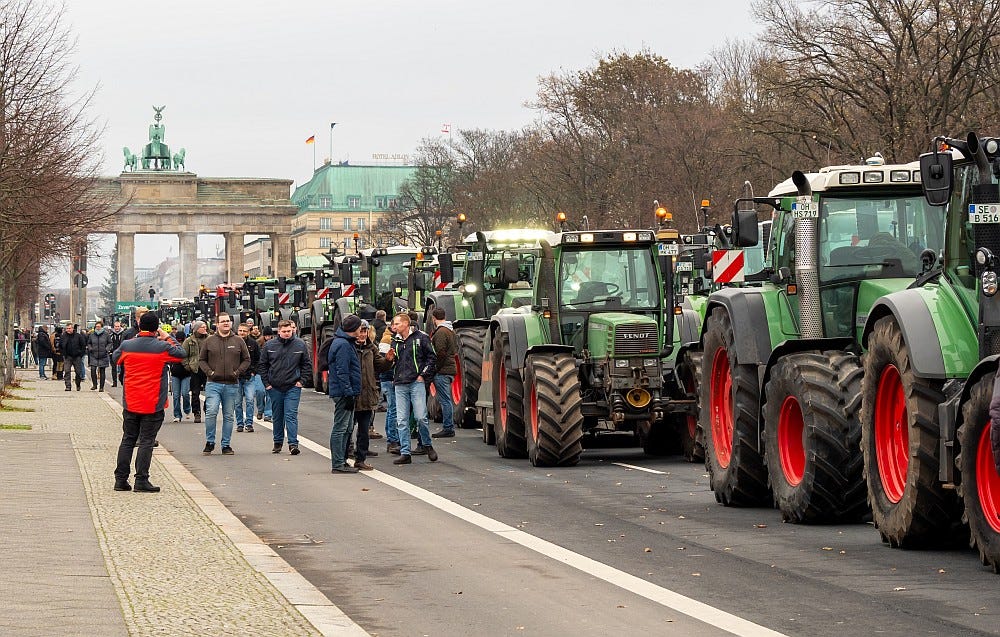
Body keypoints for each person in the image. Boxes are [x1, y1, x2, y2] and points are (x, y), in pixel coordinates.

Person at [112, 311, 186, 493]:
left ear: (139, 326)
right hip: (152, 403)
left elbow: (115, 359)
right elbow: (181, 354)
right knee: (146, 441)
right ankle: (141, 480)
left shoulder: (127, 345)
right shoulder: (161, 347)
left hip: (131, 400)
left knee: (128, 439)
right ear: (156, 328)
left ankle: (120, 480)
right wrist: (167, 336)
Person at [387, 312, 438, 464]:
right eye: (393, 324)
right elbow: (394, 361)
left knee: (420, 416)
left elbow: (432, 357)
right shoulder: (394, 341)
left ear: (405, 324)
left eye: (396, 324)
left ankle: (427, 445)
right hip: (400, 383)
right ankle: (405, 452)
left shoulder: (421, 338)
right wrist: (390, 360)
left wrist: (423, 375)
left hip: (416, 382)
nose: (393, 327)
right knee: (401, 419)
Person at [198, 313, 249, 455]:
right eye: (223, 321)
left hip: (232, 384)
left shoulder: (238, 341)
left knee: (228, 415)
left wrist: (237, 372)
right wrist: (210, 372)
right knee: (211, 411)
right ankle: (210, 442)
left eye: (228, 321)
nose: (226, 323)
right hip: (213, 383)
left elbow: (246, 359)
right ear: (217, 324)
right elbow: (202, 360)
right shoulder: (209, 341)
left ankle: (226, 445)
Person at [259, 319, 311, 455]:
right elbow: (263, 365)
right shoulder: (270, 345)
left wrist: (302, 381)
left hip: (293, 386)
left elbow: (306, 364)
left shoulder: (300, 345)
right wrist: (267, 384)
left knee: (291, 415)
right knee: (277, 416)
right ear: (279, 331)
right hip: (275, 387)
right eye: (284, 331)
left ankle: (293, 444)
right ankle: (277, 442)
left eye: (289, 331)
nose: (287, 333)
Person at [352, 320, 391, 470]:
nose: (362, 334)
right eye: (360, 331)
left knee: (364, 429)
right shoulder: (349, 347)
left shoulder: (371, 348)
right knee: (348, 428)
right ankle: (345, 454)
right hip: (353, 395)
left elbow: (380, 365)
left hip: (368, 394)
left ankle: (360, 458)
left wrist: (388, 361)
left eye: (365, 331)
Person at [327, 314, 364, 473]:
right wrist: (348, 393)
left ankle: (341, 460)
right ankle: (337, 464)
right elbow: (342, 371)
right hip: (343, 392)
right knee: (341, 427)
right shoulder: (343, 345)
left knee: (347, 427)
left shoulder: (344, 342)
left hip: (346, 391)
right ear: (354, 329)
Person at [429, 307, 458, 438]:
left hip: (443, 370)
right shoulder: (450, 331)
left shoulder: (441, 332)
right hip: (449, 369)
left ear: (433, 318)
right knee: (447, 399)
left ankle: (448, 427)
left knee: (445, 400)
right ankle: (448, 426)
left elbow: (440, 352)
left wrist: (436, 368)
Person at [235, 322, 261, 433]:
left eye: (244, 331)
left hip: (249, 377)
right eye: (240, 331)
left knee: (250, 400)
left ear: (248, 332)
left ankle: (249, 423)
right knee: (237, 402)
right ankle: (240, 423)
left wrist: (254, 372)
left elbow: (258, 359)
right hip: (235, 378)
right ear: (237, 331)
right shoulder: (233, 343)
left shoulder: (253, 344)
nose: (242, 333)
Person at [183, 320, 209, 423]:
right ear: (197, 329)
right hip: (195, 370)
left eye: (205, 327)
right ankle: (196, 412)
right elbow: (183, 354)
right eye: (203, 327)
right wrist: (187, 366)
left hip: (208, 369)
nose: (205, 329)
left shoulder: (210, 339)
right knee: (195, 393)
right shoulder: (189, 341)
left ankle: (207, 409)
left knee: (210, 392)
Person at [61, 323, 87, 391]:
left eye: (69, 328)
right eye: (67, 328)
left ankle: (78, 384)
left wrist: (81, 354)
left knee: (78, 372)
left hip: (77, 356)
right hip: (67, 356)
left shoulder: (78, 336)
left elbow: (83, 345)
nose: (68, 330)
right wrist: (63, 353)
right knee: (67, 371)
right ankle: (68, 386)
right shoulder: (64, 336)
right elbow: (61, 345)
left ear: (73, 328)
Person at [86, 321, 112, 391]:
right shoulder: (92, 334)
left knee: (102, 371)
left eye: (99, 327)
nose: (97, 328)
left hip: (103, 355)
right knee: (93, 370)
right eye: (96, 327)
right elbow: (89, 343)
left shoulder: (106, 334)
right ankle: (94, 385)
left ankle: (101, 387)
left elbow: (110, 343)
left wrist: (106, 349)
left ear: (101, 327)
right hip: (94, 354)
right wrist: (90, 348)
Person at [107, 321, 125, 387]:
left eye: (118, 326)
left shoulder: (123, 334)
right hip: (113, 353)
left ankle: (122, 381)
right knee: (113, 368)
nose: (117, 328)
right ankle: (114, 382)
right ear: (114, 327)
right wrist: (109, 350)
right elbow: (109, 343)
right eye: (115, 326)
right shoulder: (111, 334)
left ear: (120, 326)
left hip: (122, 353)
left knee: (123, 368)